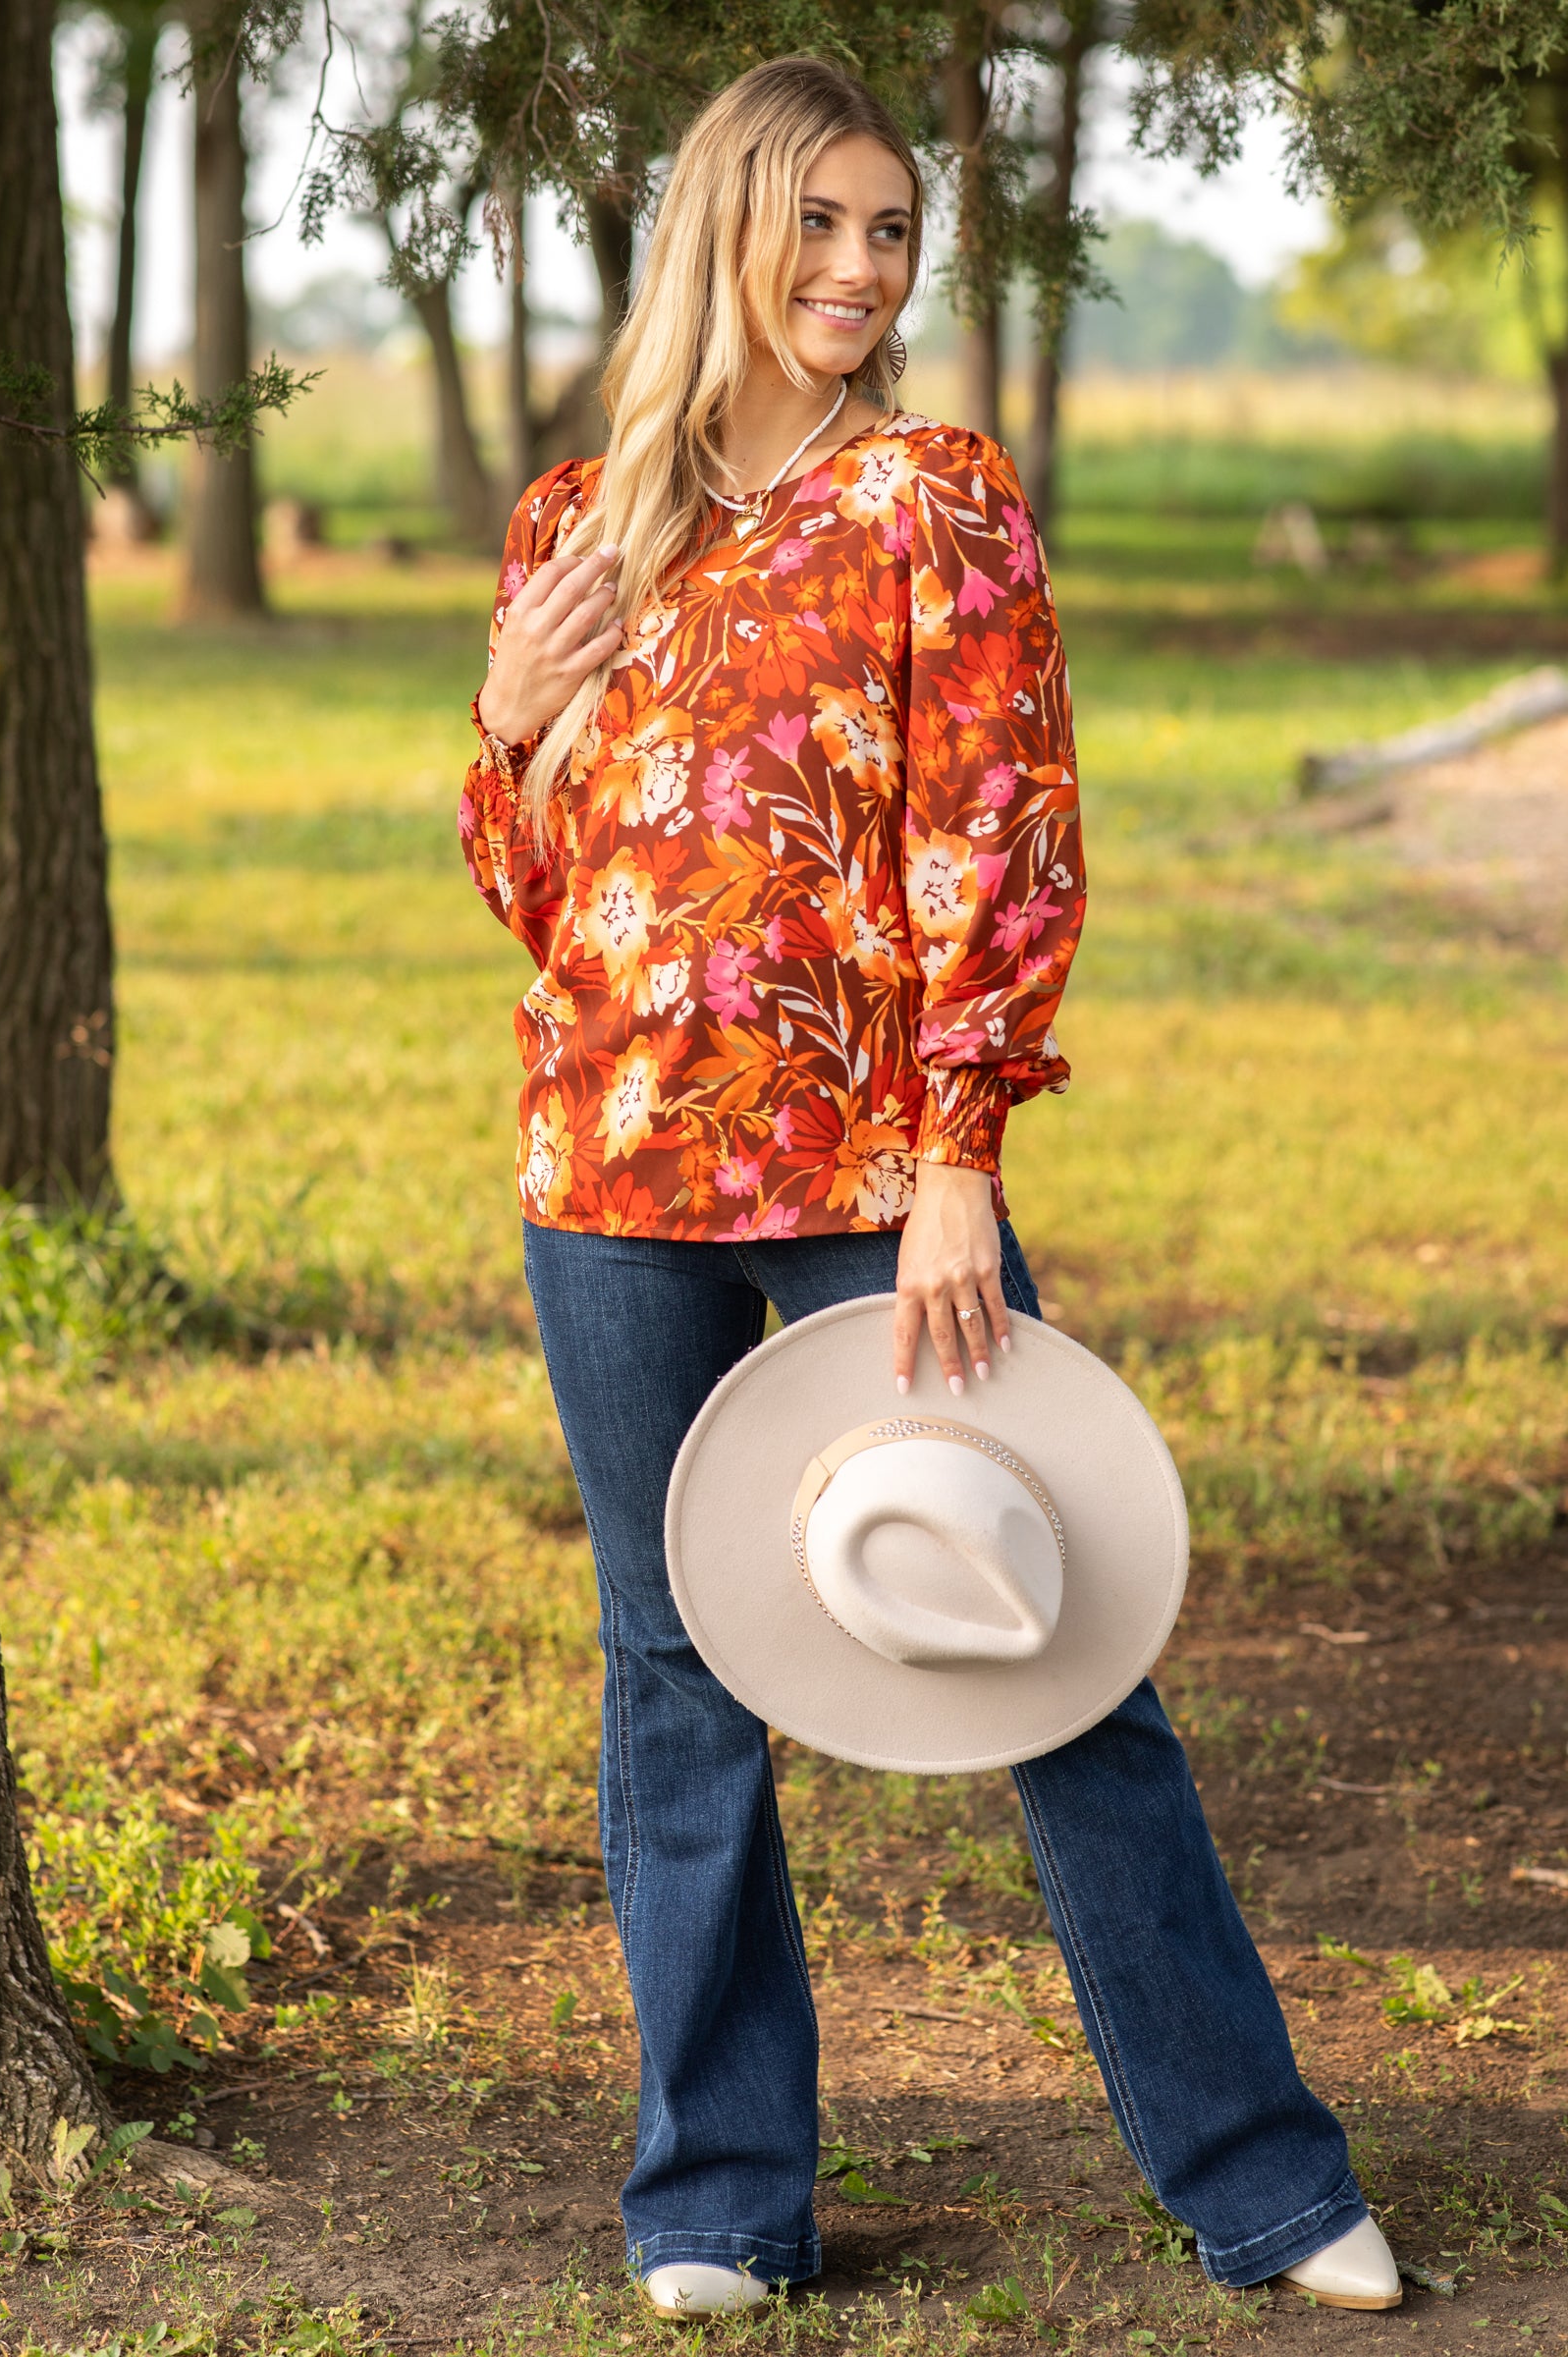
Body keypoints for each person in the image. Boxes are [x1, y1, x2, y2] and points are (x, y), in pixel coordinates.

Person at [459, 53, 1400, 2324]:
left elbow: (1002, 834)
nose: (861, 273)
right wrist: (504, 720)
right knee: (670, 1676)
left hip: (867, 1164)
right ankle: (713, 2198)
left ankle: (1264, 2184)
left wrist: (957, 1156)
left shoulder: (932, 499)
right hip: (602, 1164)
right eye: (821, 227)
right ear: (723, 230)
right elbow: (544, 899)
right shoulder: (580, 522)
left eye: (892, 235)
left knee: (1050, 1638)